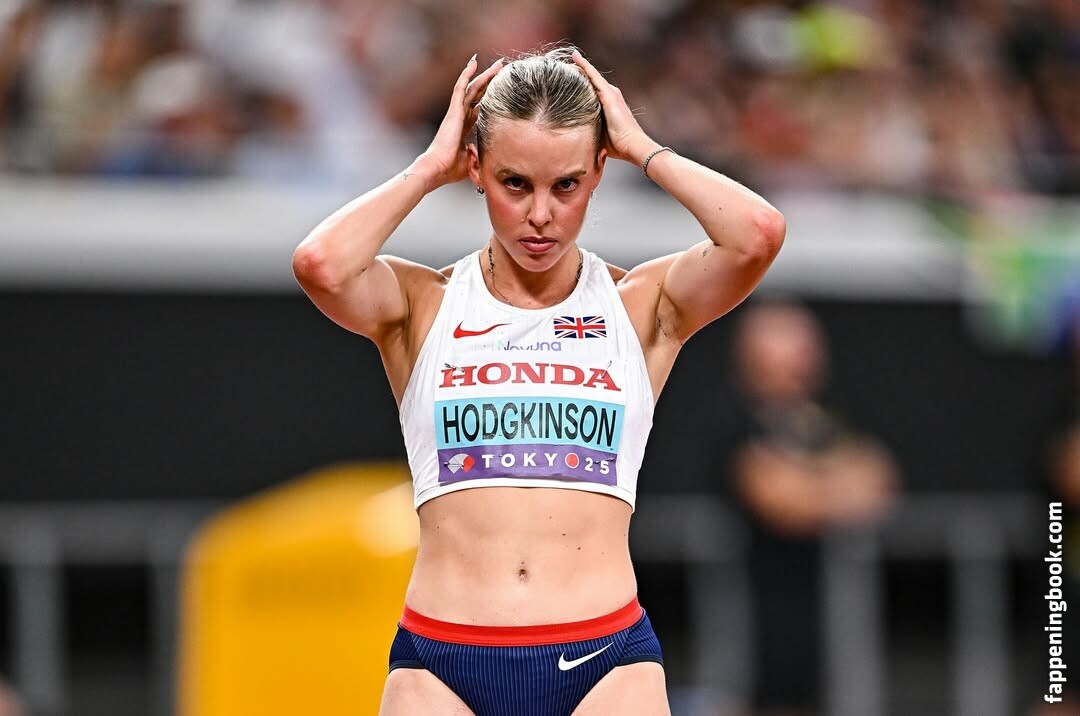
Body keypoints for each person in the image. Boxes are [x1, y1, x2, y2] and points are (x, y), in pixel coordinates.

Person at [292, 45, 785, 716]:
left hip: (604, 661)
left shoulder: (641, 306)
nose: (541, 215)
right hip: (442, 663)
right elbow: (321, 264)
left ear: (599, 169)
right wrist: (427, 168)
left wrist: (643, 147)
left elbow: (757, 233)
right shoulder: (423, 304)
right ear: (475, 168)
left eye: (567, 185)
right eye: (515, 183)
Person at [726, 301, 897, 716]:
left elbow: (877, 481)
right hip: (751, 632)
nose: (800, 371)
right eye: (786, 360)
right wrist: (830, 484)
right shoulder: (735, 423)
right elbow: (782, 502)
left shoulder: (822, 421)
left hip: (823, 631)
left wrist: (811, 485)